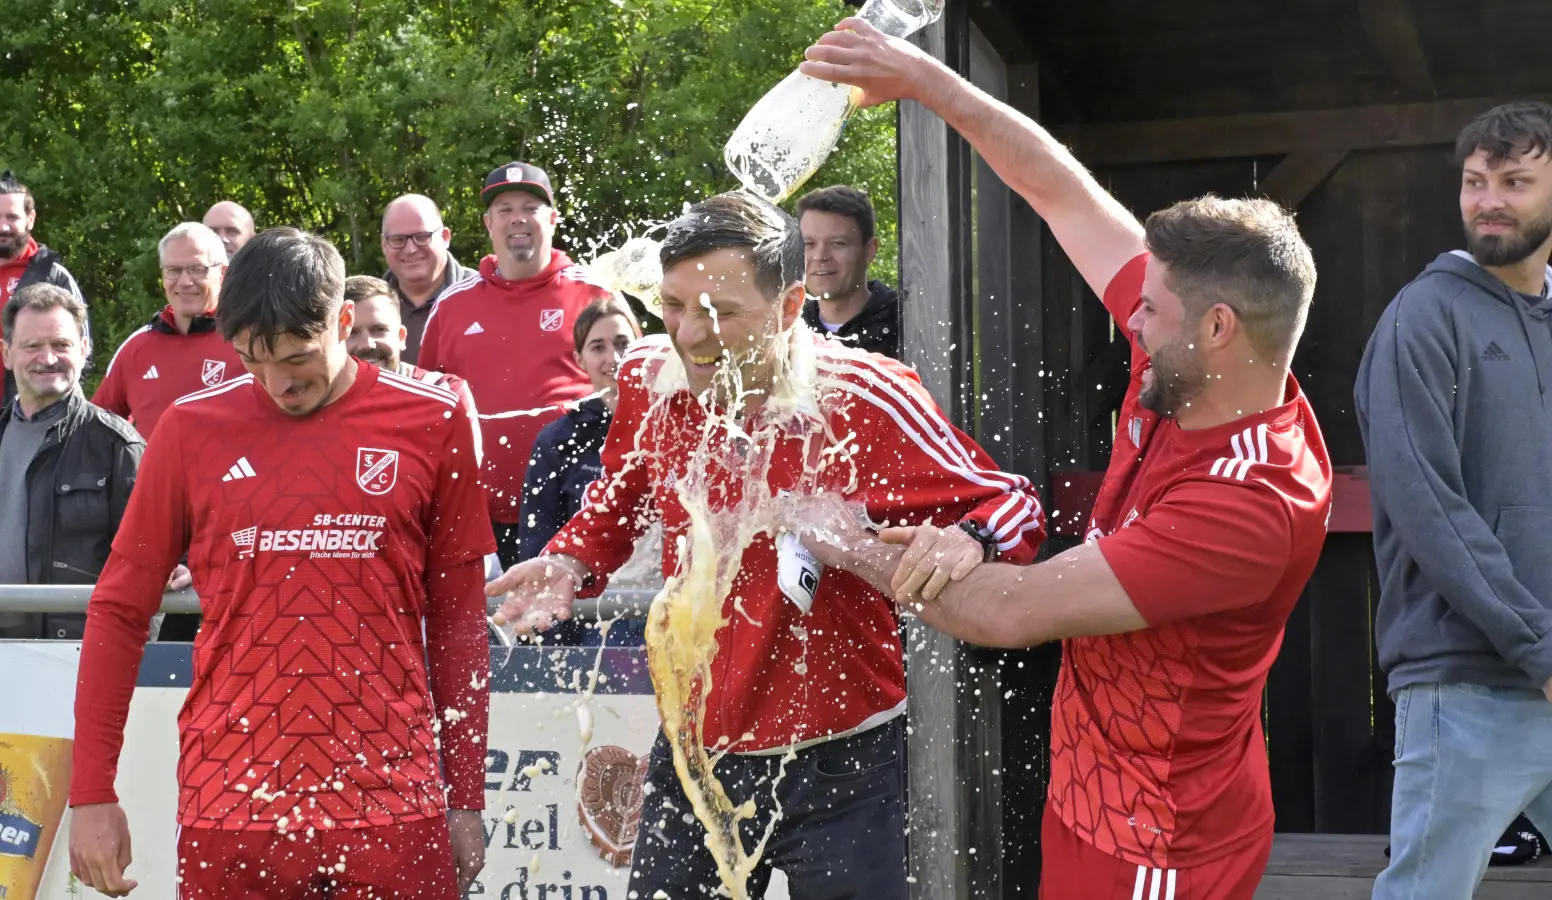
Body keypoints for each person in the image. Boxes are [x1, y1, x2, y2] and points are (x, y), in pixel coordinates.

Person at [798, 19, 1329, 900]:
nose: (1131, 319)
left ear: (1218, 327)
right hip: (1095, 798)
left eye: (1150, 311)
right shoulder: (1202, 366)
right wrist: (927, 81)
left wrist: (836, 535)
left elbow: (1008, 612)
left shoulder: (1250, 507)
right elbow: (1059, 193)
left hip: (1163, 844)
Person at [490, 191, 1047, 899]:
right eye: (673, 306)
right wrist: (572, 558)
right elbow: (621, 491)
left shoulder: (864, 394)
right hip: (695, 754)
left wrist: (969, 537)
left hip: (845, 764)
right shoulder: (647, 376)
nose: (690, 334)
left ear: (789, 308)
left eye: (720, 313)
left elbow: (1014, 502)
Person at [67, 228, 494, 898]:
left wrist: (466, 796)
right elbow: (120, 609)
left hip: (392, 802)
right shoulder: (187, 428)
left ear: (343, 321)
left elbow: (459, 622)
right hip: (232, 801)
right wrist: (90, 792)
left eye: (297, 359)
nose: (277, 385)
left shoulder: (435, 418)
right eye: (251, 362)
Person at [1354, 101, 1552, 899]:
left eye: (1514, 181)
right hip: (1465, 682)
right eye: (1475, 182)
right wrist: (1539, 647)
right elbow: (1427, 505)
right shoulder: (1423, 317)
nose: (1489, 200)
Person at [419, 161, 610, 569]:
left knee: (566, 629)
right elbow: (425, 407)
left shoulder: (596, 292)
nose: (517, 218)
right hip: (475, 515)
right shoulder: (452, 305)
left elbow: (630, 393)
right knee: (487, 630)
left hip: (574, 508)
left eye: (530, 206)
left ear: (553, 219)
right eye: (504, 209)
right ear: (488, 223)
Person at [0, 284, 149, 640]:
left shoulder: (118, 446)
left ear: (84, 349)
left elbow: (153, 570)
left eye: (62, 345)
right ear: (6, 353)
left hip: (76, 651)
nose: (48, 358)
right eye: (32, 346)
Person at [0, 173, 87, 509]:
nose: (3, 226)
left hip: (27, 430)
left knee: (16, 528)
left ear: (30, 218)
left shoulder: (52, 276)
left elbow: (81, 351)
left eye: (12, 217)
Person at [518, 296, 641, 645]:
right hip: (592, 615)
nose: (613, 358)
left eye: (622, 344)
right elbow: (538, 535)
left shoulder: (672, 424)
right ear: (579, 359)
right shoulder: (559, 439)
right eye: (597, 347)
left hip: (668, 604)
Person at [92, 223, 242, 439]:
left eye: (197, 269)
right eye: (174, 270)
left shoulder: (249, 341)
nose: (184, 282)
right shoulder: (138, 347)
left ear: (223, 274)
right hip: (152, 474)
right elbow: (95, 431)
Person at [796, 184, 901, 359]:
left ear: (869, 251)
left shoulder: (905, 325)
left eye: (838, 243)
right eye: (809, 244)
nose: (820, 256)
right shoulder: (790, 330)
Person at [381, 194, 474, 361]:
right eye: (398, 239)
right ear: (384, 245)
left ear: (445, 237)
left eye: (422, 237)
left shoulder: (483, 295)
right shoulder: (368, 308)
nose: (410, 249)